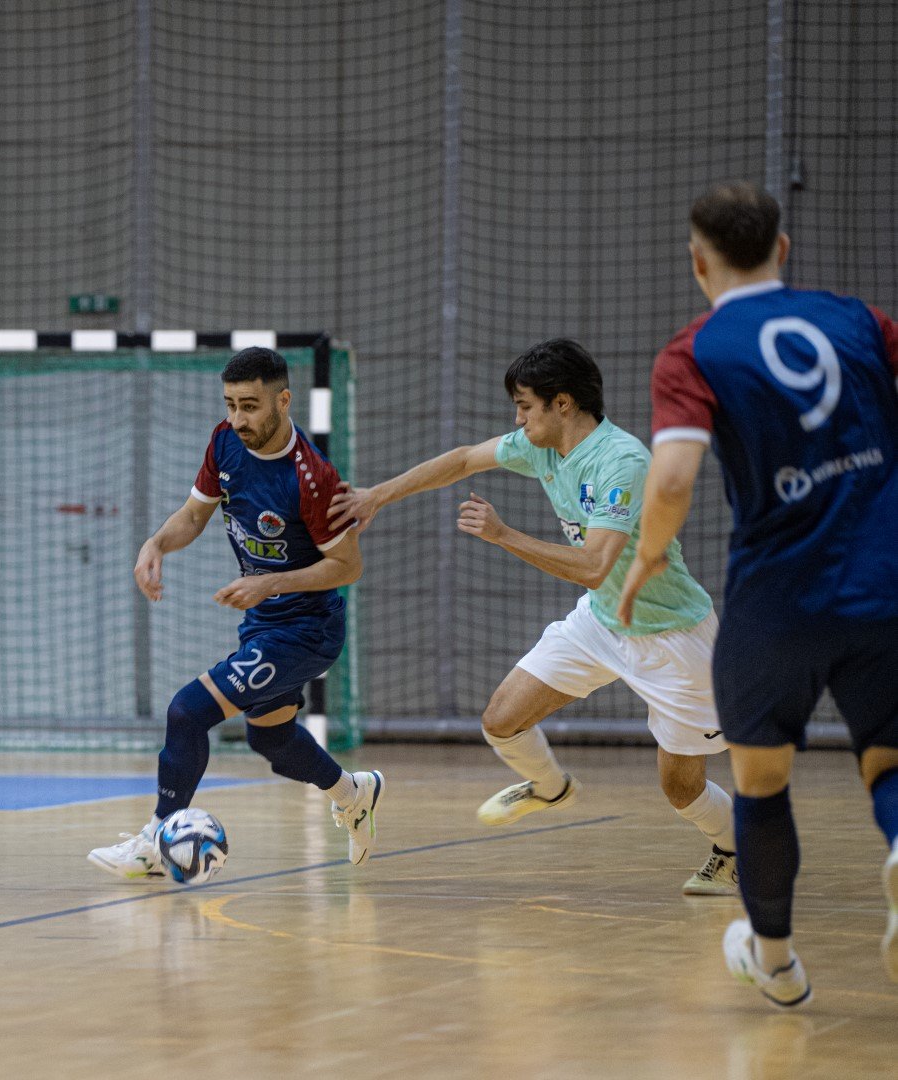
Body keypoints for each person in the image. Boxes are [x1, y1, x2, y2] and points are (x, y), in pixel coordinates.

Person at [619, 180, 898, 1008]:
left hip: (778, 601)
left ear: (697, 262)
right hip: (885, 586)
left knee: (762, 780)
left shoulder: (693, 351)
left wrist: (644, 559)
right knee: (888, 756)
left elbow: (671, 475)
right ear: (782, 250)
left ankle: (773, 959)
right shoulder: (859, 321)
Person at [329, 339, 739, 895]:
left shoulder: (622, 460)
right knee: (501, 718)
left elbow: (595, 565)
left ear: (562, 404)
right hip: (601, 622)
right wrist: (378, 495)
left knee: (680, 788)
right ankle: (550, 787)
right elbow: (464, 459)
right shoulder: (542, 447)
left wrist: (502, 535)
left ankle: (736, 847)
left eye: (525, 406)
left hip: (673, 638)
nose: (517, 420)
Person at [88, 347, 382, 879]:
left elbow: (347, 566)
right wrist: (155, 544)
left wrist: (271, 581)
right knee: (269, 739)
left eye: (250, 406)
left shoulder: (313, 479)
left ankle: (155, 840)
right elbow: (195, 514)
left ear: (283, 400)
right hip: (265, 624)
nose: (237, 419)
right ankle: (354, 792)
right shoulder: (224, 442)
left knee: (188, 710)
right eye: (230, 405)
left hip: (306, 630)